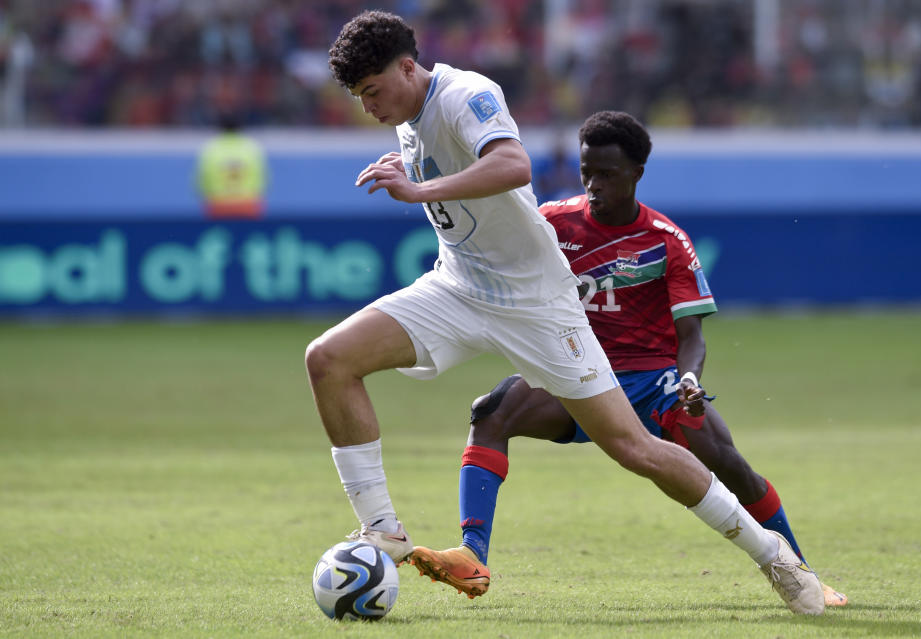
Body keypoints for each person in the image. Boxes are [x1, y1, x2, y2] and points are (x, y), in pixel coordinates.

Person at [308, 11, 824, 616]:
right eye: (358, 97)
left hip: (536, 303)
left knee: (634, 448)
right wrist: (413, 174)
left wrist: (419, 189)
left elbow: (513, 165)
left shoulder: (466, 94)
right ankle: (382, 530)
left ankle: (774, 557)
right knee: (329, 358)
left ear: (405, 67)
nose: (367, 107)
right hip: (459, 286)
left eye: (371, 91)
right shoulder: (408, 120)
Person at [409, 110, 847, 608]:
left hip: (651, 383)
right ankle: (473, 554)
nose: (594, 185)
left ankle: (803, 573)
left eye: (607, 174)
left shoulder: (666, 241)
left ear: (637, 174)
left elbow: (691, 335)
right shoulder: (551, 225)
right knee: (491, 413)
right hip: (575, 369)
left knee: (732, 467)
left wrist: (688, 378)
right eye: (586, 172)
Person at [195, 111, 267, 218]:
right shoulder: (251, 148)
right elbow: (263, 180)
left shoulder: (211, 149)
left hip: (219, 207)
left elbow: (201, 182)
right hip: (247, 206)